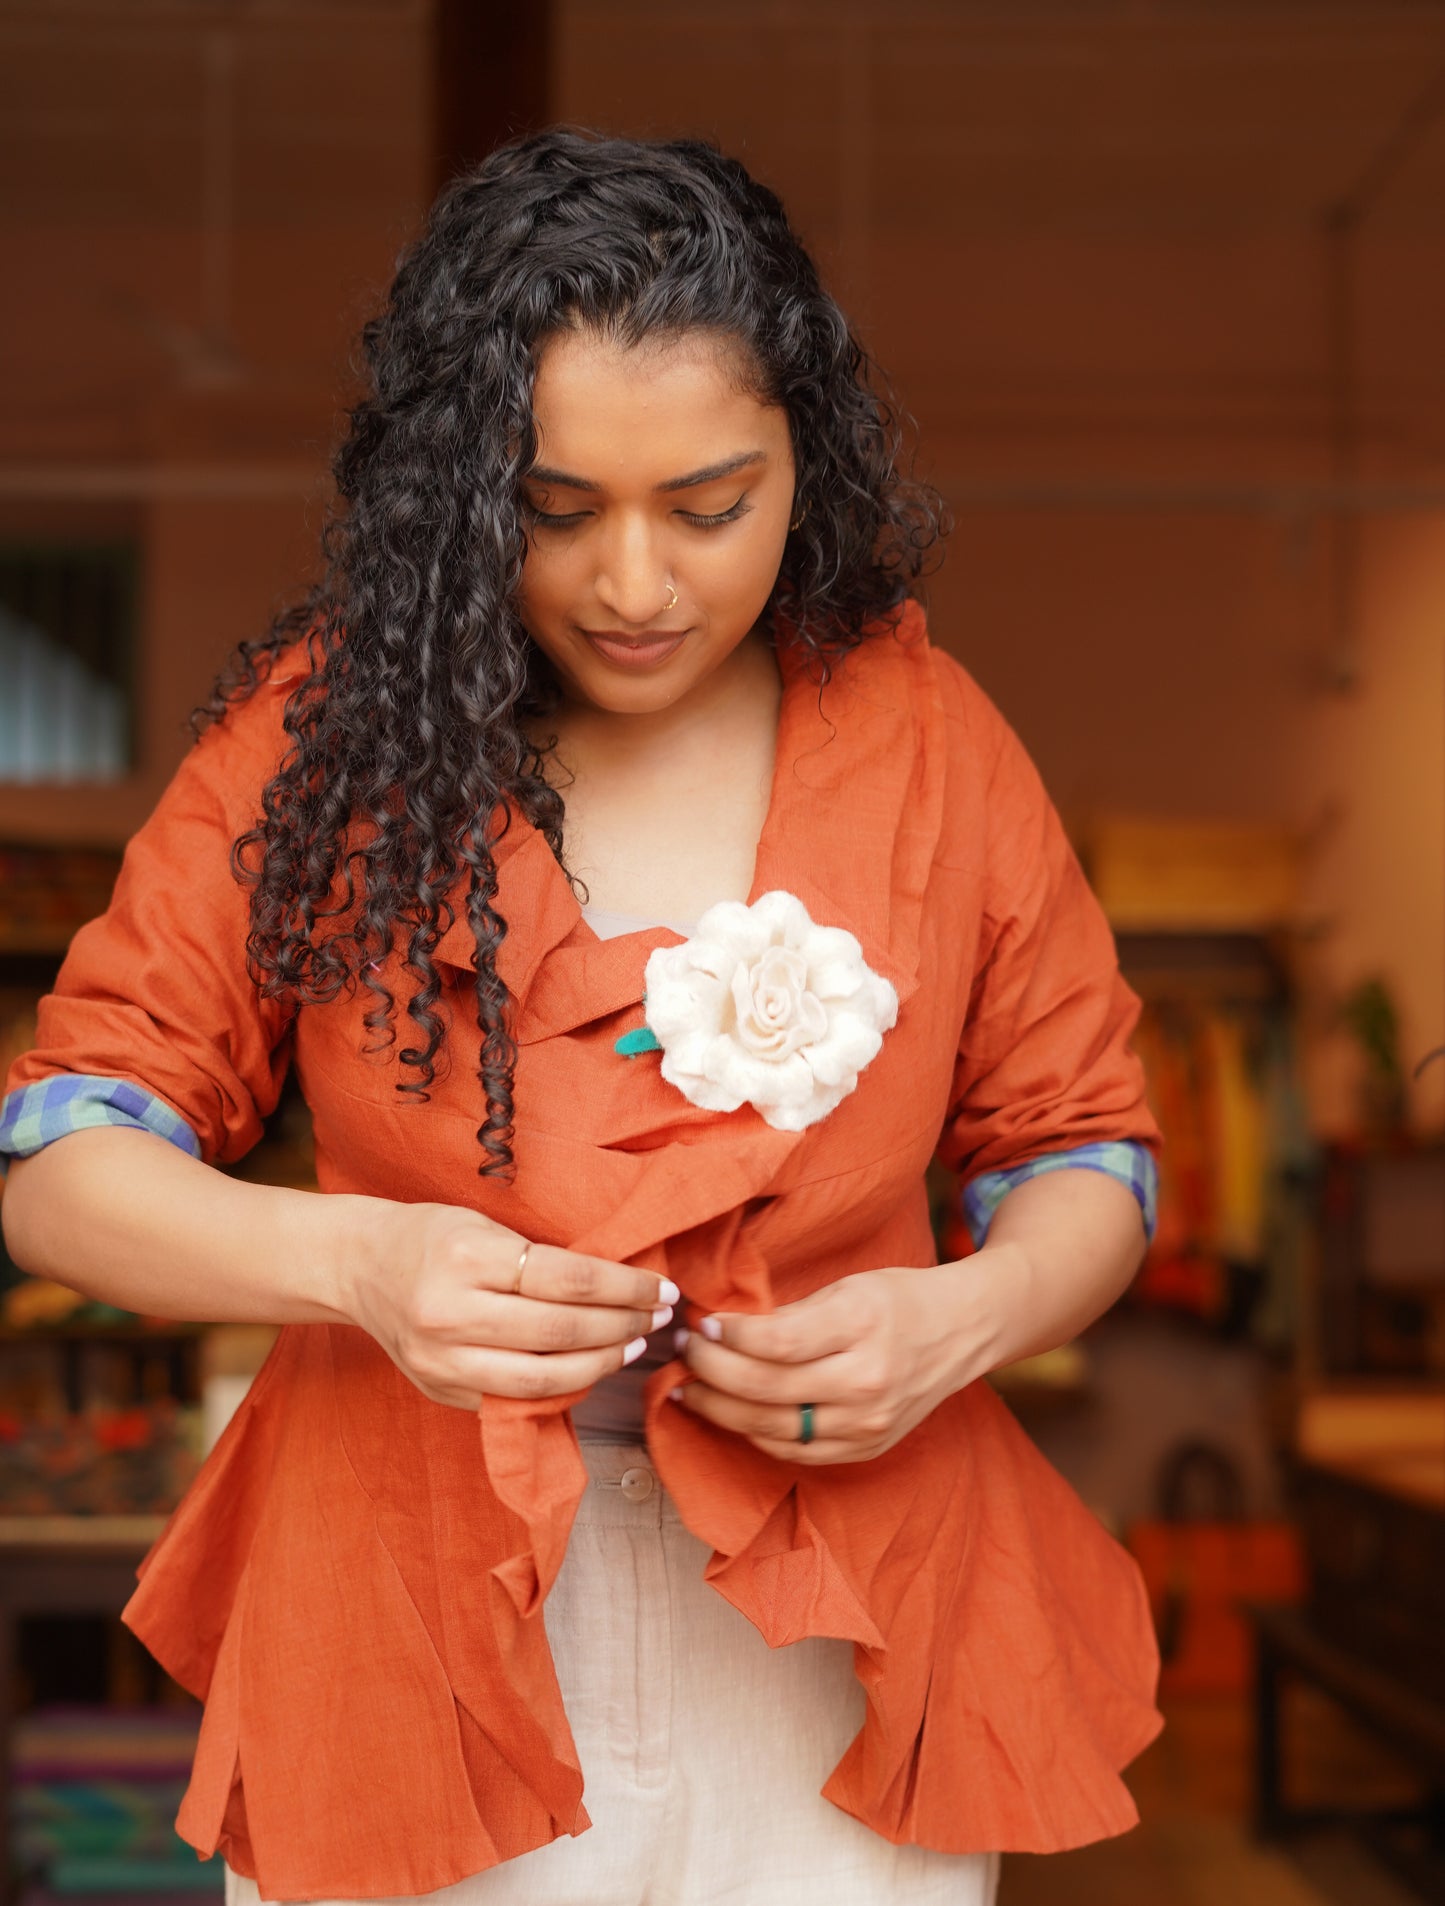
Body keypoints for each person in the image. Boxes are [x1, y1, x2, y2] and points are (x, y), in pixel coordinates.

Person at [1, 130, 1163, 1906]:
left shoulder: (933, 745)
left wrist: (965, 1316)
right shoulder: (337, 736)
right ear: (459, 488)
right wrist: (365, 1267)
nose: (637, 585)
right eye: (554, 511)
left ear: (808, 463)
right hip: (404, 1611)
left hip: (838, 1617)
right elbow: (69, 1153)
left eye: (711, 507)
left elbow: (1080, 1150)